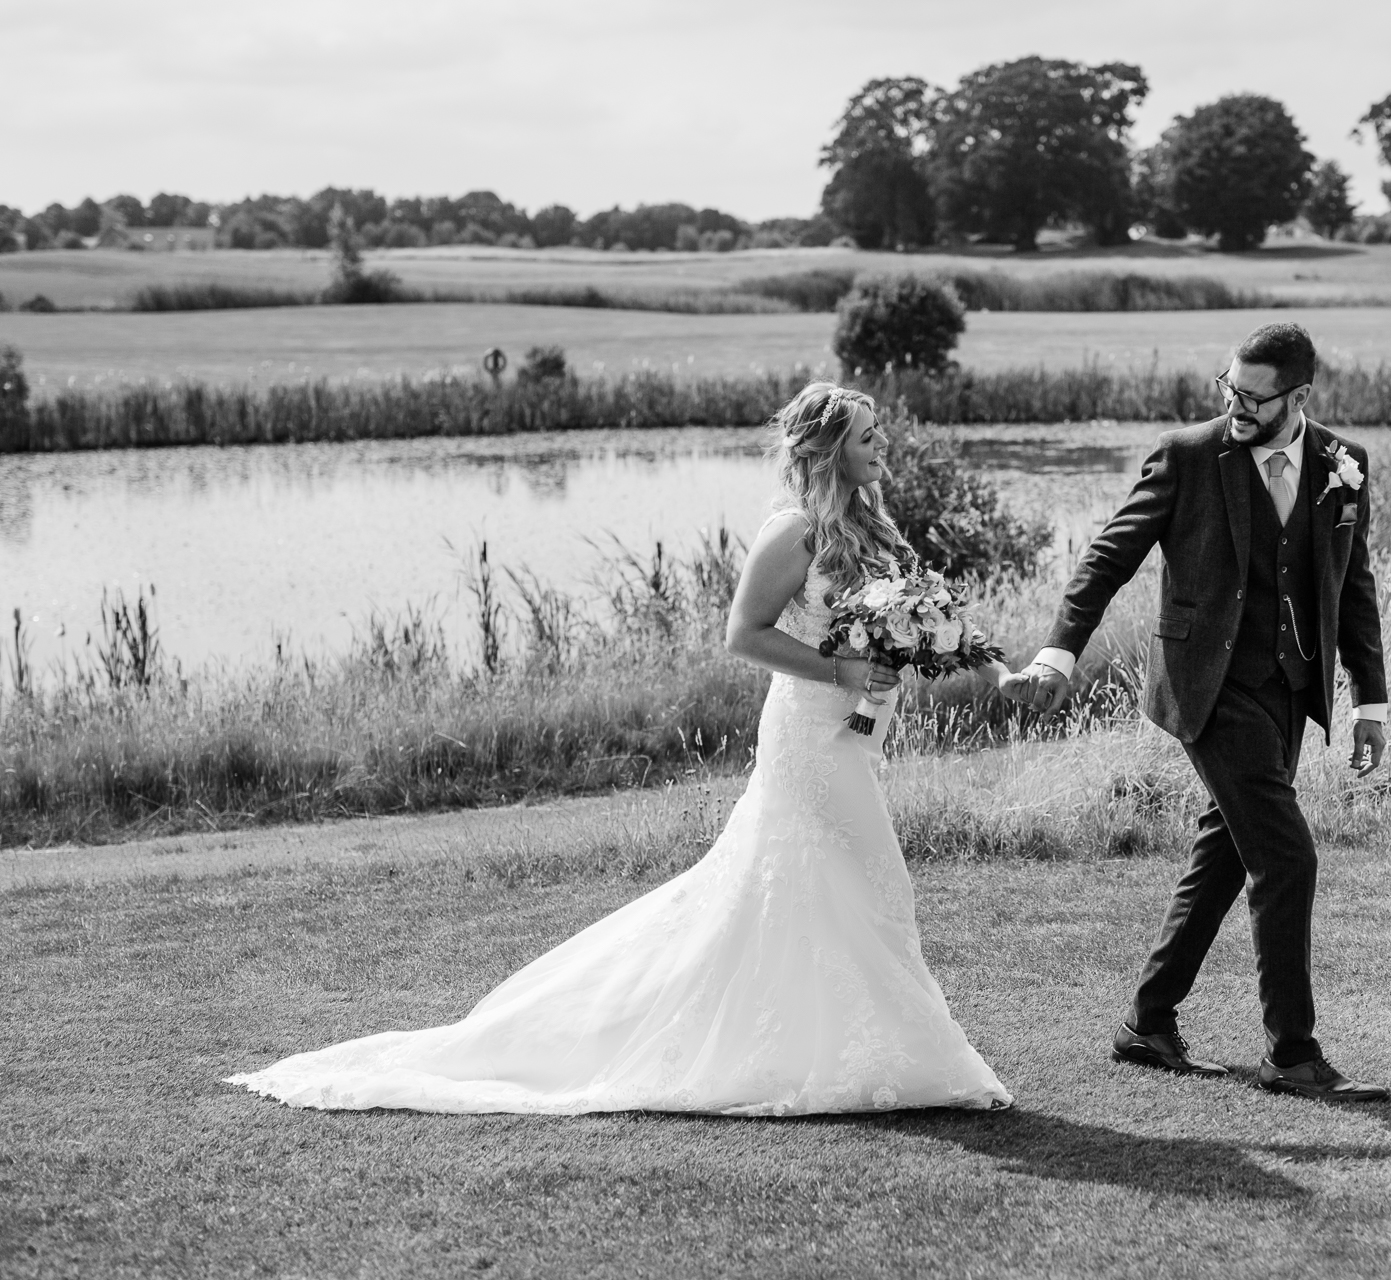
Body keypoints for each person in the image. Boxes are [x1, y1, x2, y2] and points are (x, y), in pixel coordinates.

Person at [227, 382, 1021, 1116]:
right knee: (873, 881)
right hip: (809, 734)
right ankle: (895, 1056)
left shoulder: (873, 523)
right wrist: (840, 666)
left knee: (833, 890)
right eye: (867, 436)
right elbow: (742, 636)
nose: (882, 445)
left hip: (859, 735)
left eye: (879, 433)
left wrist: (994, 668)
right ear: (827, 451)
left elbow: (929, 612)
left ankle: (843, 1045)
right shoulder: (796, 530)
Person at [1017, 323, 1391, 1101]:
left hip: (1292, 689)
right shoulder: (1188, 454)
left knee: (1226, 850)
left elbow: (1351, 585)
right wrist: (1060, 650)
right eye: (1231, 387)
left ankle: (1147, 1022)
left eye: (1256, 397)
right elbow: (1108, 556)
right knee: (1286, 858)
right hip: (1208, 687)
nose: (1237, 405)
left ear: (1300, 397)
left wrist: (1371, 698)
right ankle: (1291, 1053)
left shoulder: (1343, 465)